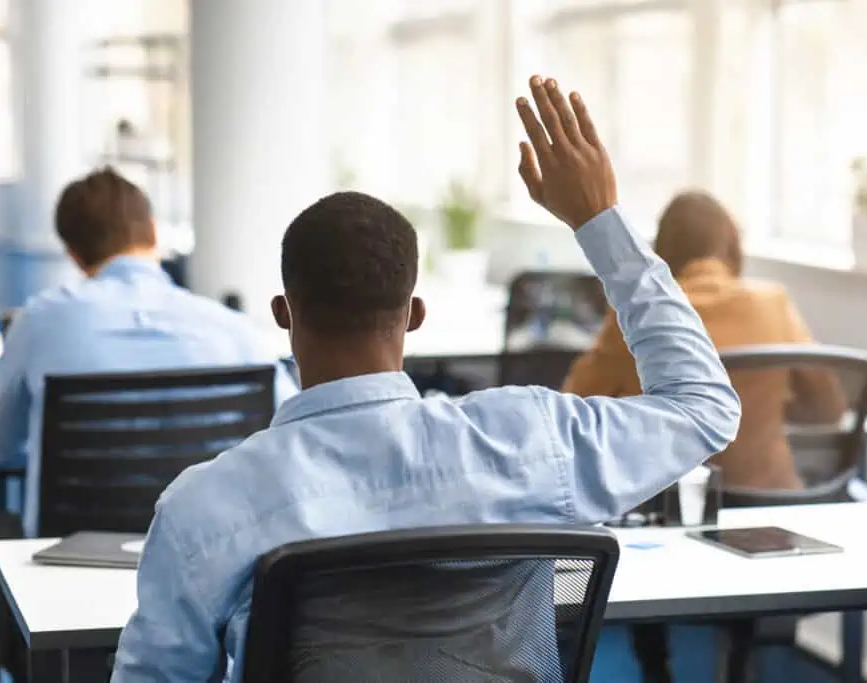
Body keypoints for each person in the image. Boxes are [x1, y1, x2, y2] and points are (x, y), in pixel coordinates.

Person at [110, 76, 741, 683]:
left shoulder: (206, 507)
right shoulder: (526, 441)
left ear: (284, 314)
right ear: (414, 315)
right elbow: (704, 406)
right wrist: (598, 220)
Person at [562, 190, 845, 683]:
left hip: (668, 519)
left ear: (661, 250)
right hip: (773, 511)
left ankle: (656, 665)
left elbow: (573, 406)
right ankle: (744, 655)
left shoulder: (639, 315)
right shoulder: (771, 303)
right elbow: (829, 408)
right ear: (732, 247)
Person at [0, 167, 298, 538]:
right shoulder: (237, 334)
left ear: (74, 254)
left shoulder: (39, 324)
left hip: (73, 561)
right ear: (154, 233)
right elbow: (291, 434)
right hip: (209, 559)